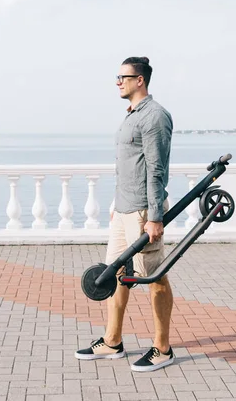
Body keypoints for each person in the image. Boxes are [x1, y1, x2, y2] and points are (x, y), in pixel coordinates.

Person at [75, 56, 175, 372]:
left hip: (144, 212)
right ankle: (112, 341)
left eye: (123, 77)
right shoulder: (131, 115)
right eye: (117, 77)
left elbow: (156, 170)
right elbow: (130, 168)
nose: (118, 82)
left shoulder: (155, 116)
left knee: (154, 277)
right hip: (124, 210)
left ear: (140, 80)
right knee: (115, 274)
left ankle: (162, 348)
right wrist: (116, 207)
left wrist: (155, 217)